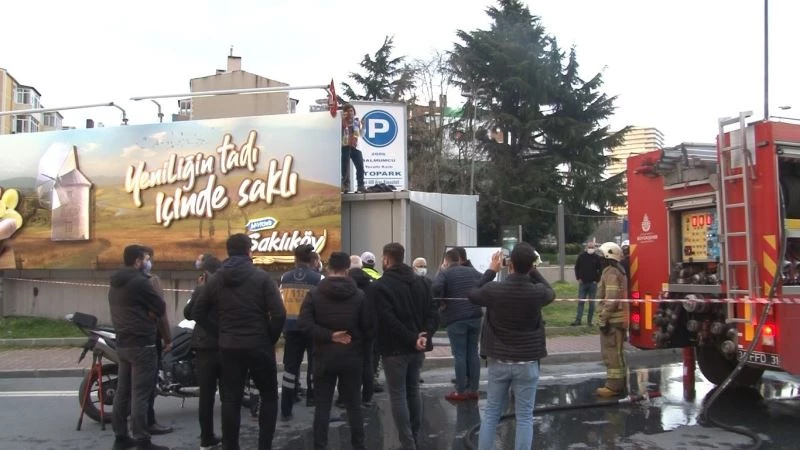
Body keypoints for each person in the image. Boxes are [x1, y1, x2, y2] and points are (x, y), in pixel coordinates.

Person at [192, 234, 286, 450]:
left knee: (231, 398)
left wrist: (220, 333)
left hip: (229, 346)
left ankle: (230, 445)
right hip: (259, 344)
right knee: (269, 395)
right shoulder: (261, 278)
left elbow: (197, 312)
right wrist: (269, 338)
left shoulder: (216, 279)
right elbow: (279, 313)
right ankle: (264, 446)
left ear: (228, 251)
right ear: (248, 251)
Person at [468, 243, 555, 450]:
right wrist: (534, 272)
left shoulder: (494, 290)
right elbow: (551, 291)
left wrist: (491, 271)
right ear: (531, 266)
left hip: (499, 359)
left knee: (491, 413)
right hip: (527, 362)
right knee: (524, 416)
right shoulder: (537, 292)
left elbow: (472, 293)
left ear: (510, 265)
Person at [298, 251, 375, 450]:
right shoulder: (359, 295)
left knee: (322, 406)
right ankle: (358, 445)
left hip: (323, 356)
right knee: (354, 405)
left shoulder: (315, 294)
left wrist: (329, 335)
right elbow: (369, 328)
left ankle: (320, 445)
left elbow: (304, 324)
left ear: (328, 268)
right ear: (347, 269)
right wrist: (356, 342)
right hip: (351, 356)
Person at [370, 242, 439, 450]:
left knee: (398, 395)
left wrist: (412, 338)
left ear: (386, 259)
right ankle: (414, 437)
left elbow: (387, 319)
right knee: (413, 390)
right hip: (418, 347)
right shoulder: (423, 283)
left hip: (394, 348)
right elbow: (433, 313)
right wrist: (424, 336)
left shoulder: (380, 286)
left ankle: (408, 443)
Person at [108, 244, 168, 450]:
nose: (149, 263)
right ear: (137, 261)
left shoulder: (115, 282)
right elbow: (160, 307)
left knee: (122, 392)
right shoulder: (140, 282)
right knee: (140, 394)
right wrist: (149, 314)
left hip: (123, 342)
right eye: (146, 259)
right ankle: (142, 439)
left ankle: (121, 436)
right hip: (142, 343)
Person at [433, 248, 496, 401]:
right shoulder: (472, 271)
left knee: (459, 354)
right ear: (459, 259)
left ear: (446, 261)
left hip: (455, 318)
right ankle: (473, 389)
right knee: (473, 352)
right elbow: (485, 281)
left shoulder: (445, 273)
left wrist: (441, 302)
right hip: (475, 316)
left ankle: (460, 390)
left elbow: (435, 287)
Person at [279, 244, 323, 419]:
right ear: (312, 260)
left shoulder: (285, 277)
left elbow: (281, 301)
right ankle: (312, 398)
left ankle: (286, 406)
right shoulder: (318, 278)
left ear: (295, 259)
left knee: (290, 369)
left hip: (291, 329)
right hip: (311, 327)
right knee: (314, 365)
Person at [184, 255, 223, 450]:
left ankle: (206, 437)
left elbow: (188, 313)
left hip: (203, 345)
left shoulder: (202, 289)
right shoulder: (227, 289)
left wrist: (197, 290)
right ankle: (229, 437)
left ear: (206, 272)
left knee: (206, 395)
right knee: (229, 394)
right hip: (224, 345)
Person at [141, 246, 173, 436]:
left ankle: (125, 430)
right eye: (147, 259)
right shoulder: (151, 281)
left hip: (127, 337)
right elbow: (160, 312)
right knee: (148, 383)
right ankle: (148, 423)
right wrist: (167, 338)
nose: (149, 262)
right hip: (149, 337)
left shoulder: (120, 281)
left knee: (132, 386)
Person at [595, 242, 630, 397]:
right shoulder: (618, 271)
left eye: (602, 257)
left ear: (608, 257)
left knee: (611, 353)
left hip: (612, 321)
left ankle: (613, 387)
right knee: (617, 353)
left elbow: (612, 298)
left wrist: (603, 318)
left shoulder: (610, 272)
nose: (599, 260)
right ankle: (620, 384)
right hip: (617, 319)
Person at [572, 241, 602, 326]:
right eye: (589, 247)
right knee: (581, 302)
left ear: (595, 248)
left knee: (591, 304)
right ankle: (578, 320)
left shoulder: (597, 258)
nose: (590, 249)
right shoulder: (581, 256)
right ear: (586, 248)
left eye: (592, 247)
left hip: (593, 284)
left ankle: (589, 321)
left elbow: (600, 270)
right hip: (583, 283)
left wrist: (597, 280)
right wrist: (578, 278)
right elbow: (576, 268)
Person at [341, 103, 366, 193]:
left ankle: (361, 186)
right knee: (345, 168)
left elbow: (361, 135)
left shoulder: (356, 122)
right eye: (348, 111)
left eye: (351, 111)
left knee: (360, 167)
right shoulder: (341, 122)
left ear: (354, 112)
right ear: (345, 113)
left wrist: (364, 126)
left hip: (356, 147)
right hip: (345, 147)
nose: (350, 113)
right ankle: (345, 186)